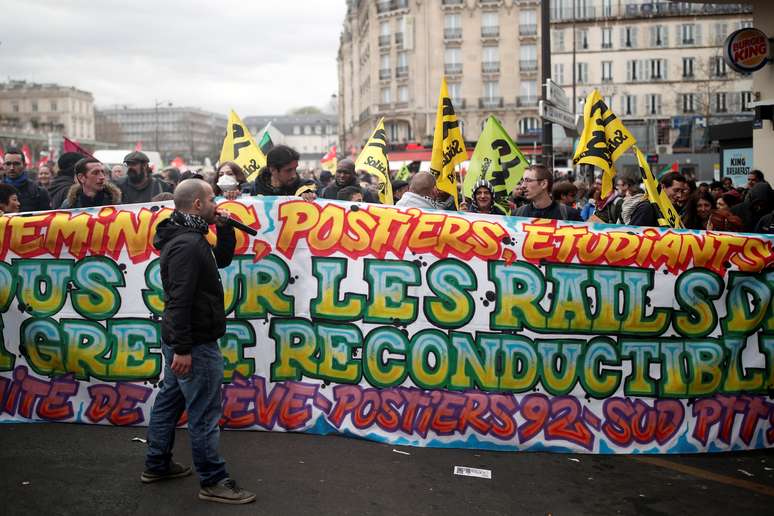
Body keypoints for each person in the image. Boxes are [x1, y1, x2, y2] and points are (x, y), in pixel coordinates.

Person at [143, 178, 255, 505]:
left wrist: (225, 228)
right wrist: (183, 349)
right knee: (204, 411)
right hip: (194, 342)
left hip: (185, 337)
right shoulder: (188, 244)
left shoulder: (188, 234)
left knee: (171, 399)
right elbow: (179, 299)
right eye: (211, 199)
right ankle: (213, 480)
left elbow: (220, 260)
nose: (216, 203)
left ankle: (157, 464)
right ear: (196, 205)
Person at [513, 164, 582, 221]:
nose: (523, 186)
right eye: (523, 181)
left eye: (528, 180)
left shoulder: (570, 214)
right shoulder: (517, 214)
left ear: (544, 184)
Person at [249, 145, 317, 200]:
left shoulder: (305, 187)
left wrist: (308, 194)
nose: (294, 175)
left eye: (295, 169)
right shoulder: (256, 189)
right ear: (273, 170)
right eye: (288, 170)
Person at [2, 147, 51, 212]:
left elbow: (46, 219)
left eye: (16, 164)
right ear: (3, 166)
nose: (12, 168)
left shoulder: (38, 192)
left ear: (24, 165)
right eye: (8, 164)